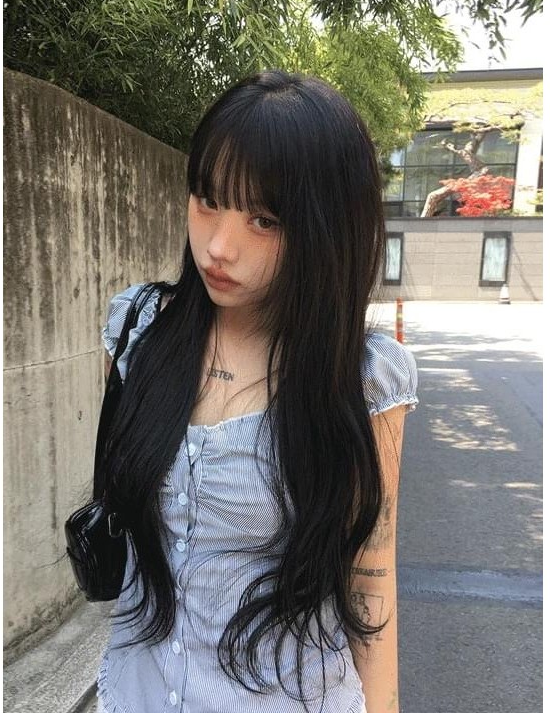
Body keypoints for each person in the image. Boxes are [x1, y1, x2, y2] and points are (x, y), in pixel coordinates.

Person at [95, 69, 418, 713]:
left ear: (327, 230)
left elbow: (370, 576)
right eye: (207, 199)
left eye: (264, 219)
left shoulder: (362, 378)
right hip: (139, 693)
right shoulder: (139, 332)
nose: (219, 246)